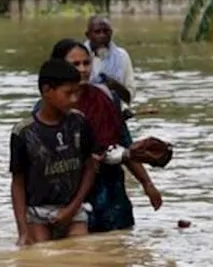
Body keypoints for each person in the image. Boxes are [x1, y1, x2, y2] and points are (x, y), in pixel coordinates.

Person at [47, 39, 163, 232]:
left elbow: (124, 144)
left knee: (117, 252)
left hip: (112, 201)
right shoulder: (50, 107)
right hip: (70, 203)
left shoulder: (107, 98)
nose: (83, 69)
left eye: (86, 63)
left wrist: (147, 184)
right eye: (75, 64)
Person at [11, 59, 103, 246]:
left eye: (76, 93)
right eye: (68, 93)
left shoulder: (79, 123)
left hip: (74, 210)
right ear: (47, 91)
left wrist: (72, 208)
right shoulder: (24, 132)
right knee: (42, 257)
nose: (74, 99)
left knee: (83, 256)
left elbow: (91, 167)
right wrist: (22, 231)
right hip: (37, 213)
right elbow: (18, 183)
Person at [84, 15, 135, 106]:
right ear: (88, 35)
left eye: (106, 31)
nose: (102, 35)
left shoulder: (122, 56)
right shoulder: (79, 56)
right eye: (97, 32)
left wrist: (115, 86)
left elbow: (129, 96)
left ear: (111, 33)